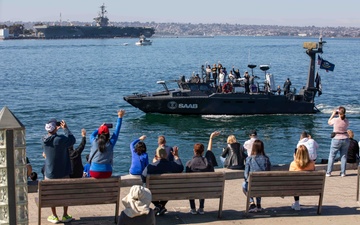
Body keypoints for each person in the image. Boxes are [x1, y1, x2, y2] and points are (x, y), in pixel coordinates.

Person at [42, 118, 76, 223]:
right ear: (56, 128)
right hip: (63, 172)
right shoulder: (60, 139)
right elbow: (72, 140)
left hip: (49, 173)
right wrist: (65, 128)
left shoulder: (43, 139)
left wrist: (55, 129)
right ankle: (65, 215)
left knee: (52, 194)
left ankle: (54, 215)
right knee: (65, 193)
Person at [141, 146, 184, 216]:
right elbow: (181, 167)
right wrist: (176, 156)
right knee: (169, 188)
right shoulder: (173, 165)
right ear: (166, 155)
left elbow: (143, 179)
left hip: (153, 193)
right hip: (168, 192)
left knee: (146, 189)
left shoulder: (150, 167)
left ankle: (158, 206)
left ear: (155, 156)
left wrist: (153, 163)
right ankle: (161, 206)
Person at [186, 131, 220, 215]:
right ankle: (201, 208)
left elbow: (187, 178)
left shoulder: (189, 163)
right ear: (202, 152)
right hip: (205, 188)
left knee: (191, 186)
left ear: (194, 151)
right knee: (203, 184)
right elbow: (209, 151)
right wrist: (211, 138)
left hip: (192, 188)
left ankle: (193, 208)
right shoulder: (207, 162)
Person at [89, 109, 125, 179]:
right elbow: (117, 131)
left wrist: (99, 128)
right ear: (108, 134)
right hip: (107, 172)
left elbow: (92, 135)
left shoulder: (94, 141)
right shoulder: (111, 143)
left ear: (99, 134)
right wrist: (120, 117)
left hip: (94, 172)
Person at [242, 140, 271, 213]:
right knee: (260, 182)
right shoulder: (266, 159)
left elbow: (245, 175)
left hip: (253, 185)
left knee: (244, 184)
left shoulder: (249, 159)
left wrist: (246, 180)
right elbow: (269, 172)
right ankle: (258, 204)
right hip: (264, 186)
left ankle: (252, 203)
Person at [289, 145, 315, 210]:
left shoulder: (293, 164)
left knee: (295, 183)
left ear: (296, 154)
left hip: (295, 188)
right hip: (310, 187)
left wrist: (295, 159)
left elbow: (291, 178)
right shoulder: (312, 164)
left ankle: (297, 203)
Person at [326, 106, 349, 177]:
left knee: (332, 156)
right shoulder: (347, 121)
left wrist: (333, 114)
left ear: (338, 112)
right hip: (345, 138)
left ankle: (329, 172)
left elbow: (329, 122)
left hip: (336, 138)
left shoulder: (335, 120)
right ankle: (343, 172)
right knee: (344, 156)